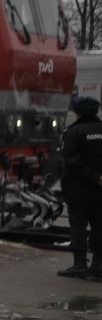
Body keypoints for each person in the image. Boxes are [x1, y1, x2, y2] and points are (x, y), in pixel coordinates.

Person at [58, 95, 102, 278]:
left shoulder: (73, 133)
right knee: (100, 226)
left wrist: (94, 177)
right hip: (100, 191)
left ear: (77, 113)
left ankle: (80, 264)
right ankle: (98, 265)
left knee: (78, 226)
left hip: (78, 190)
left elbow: (74, 162)